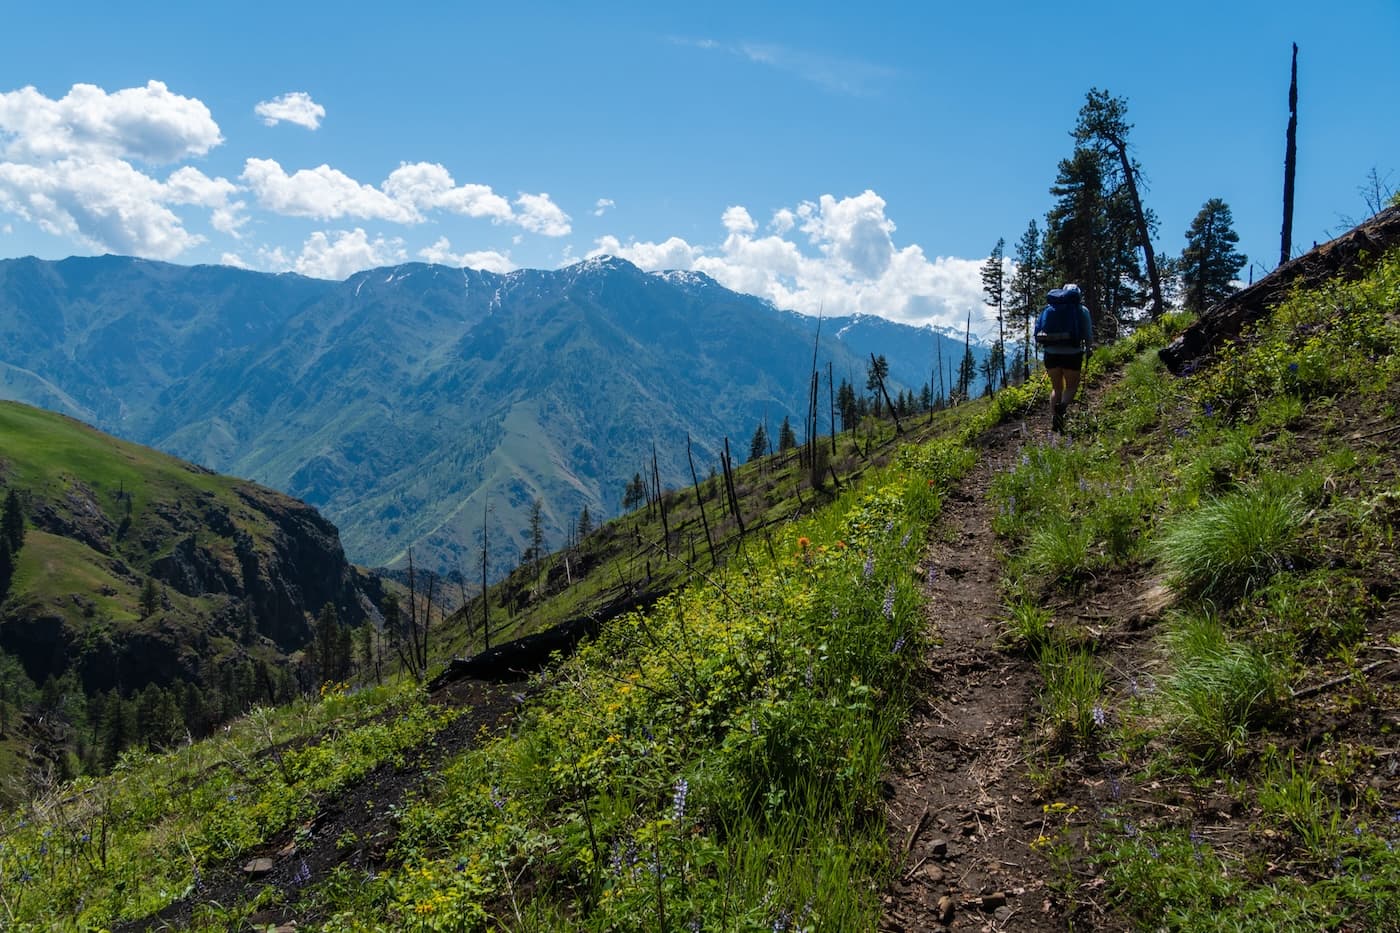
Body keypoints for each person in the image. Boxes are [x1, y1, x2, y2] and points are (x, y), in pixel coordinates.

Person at [1035, 283, 1094, 433]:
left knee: (1056, 388)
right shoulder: (1082, 310)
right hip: (1072, 354)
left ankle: (1056, 419)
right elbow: (1087, 334)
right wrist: (1088, 349)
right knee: (1072, 386)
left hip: (1051, 354)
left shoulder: (1050, 309)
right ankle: (1062, 407)